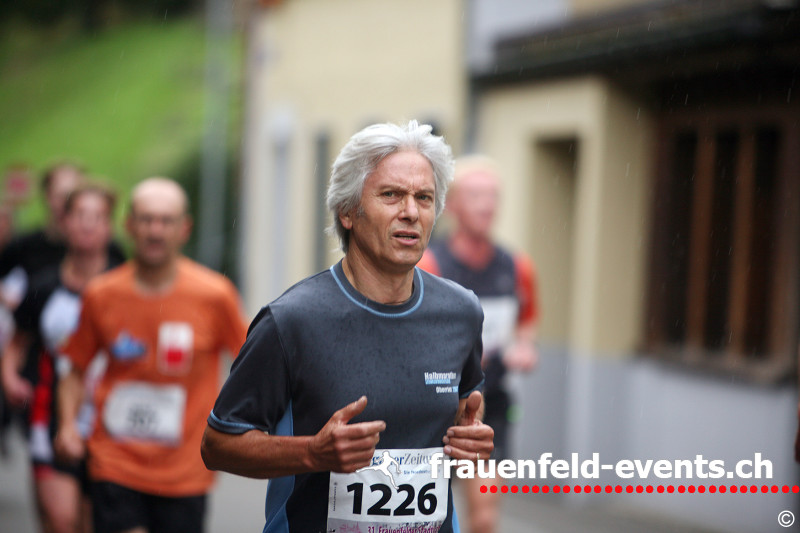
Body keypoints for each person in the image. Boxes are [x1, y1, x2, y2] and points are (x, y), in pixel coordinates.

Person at [201, 120, 494, 533]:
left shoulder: (461, 311)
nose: (411, 212)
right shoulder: (291, 320)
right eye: (391, 195)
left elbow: (465, 414)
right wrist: (312, 453)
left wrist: (471, 440)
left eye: (424, 198)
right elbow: (217, 446)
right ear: (348, 211)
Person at [55, 177, 248, 533]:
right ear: (129, 225)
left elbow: (252, 364)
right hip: (115, 462)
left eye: (165, 221)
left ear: (184, 228)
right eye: (146, 220)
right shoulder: (101, 294)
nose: (155, 231)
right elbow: (75, 369)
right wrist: (67, 425)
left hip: (185, 471)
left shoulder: (214, 295)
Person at [417, 155, 539, 533]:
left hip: (491, 405)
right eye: (475, 196)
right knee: (424, 518)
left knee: (484, 517)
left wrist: (524, 347)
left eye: (493, 196)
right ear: (452, 205)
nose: (486, 205)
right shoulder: (430, 265)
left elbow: (526, 322)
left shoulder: (517, 267)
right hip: (436, 404)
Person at [0, 184, 124, 533]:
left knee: (92, 522)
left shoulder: (125, 284)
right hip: (50, 414)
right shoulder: (43, 286)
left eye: (97, 217)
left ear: (109, 227)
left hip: (112, 421)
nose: (87, 224)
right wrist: (10, 378)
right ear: (64, 222)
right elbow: (17, 342)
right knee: (61, 520)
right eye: (80, 215)